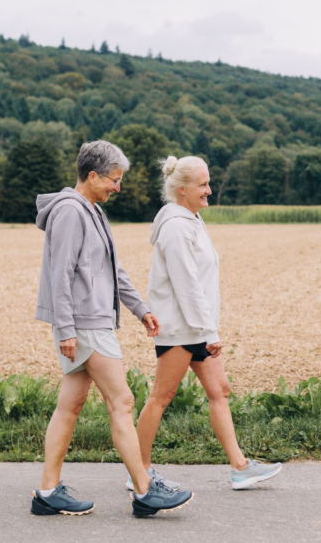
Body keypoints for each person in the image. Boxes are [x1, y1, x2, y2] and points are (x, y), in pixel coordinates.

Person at [31, 141, 194, 518]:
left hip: (90, 322)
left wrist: (140, 309)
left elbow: (114, 271)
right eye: (114, 180)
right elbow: (61, 274)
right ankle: (144, 490)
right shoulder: (72, 212)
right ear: (92, 175)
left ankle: (47, 492)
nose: (117, 187)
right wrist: (67, 329)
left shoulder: (93, 211)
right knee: (122, 402)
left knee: (69, 406)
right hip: (86, 324)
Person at [133, 155, 283, 492]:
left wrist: (207, 329)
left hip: (197, 327)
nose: (209, 190)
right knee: (161, 395)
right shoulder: (174, 226)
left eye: (208, 182)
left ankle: (241, 468)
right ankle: (138, 471)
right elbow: (187, 286)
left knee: (220, 391)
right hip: (181, 329)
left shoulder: (192, 220)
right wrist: (209, 332)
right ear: (182, 189)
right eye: (203, 184)